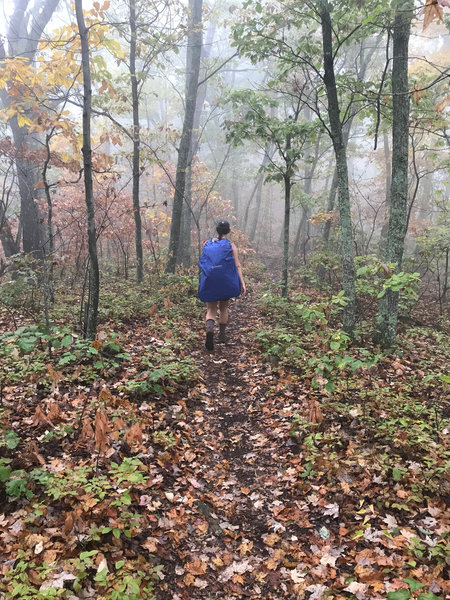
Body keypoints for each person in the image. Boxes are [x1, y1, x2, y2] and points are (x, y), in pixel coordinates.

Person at [198, 220, 246, 351]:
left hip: (210, 280)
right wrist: (242, 282)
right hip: (225, 281)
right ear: (228, 231)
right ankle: (222, 336)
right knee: (223, 308)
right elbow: (237, 265)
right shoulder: (231, 245)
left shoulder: (207, 244)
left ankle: (209, 333)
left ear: (217, 230)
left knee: (210, 310)